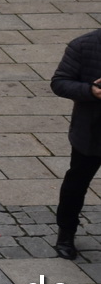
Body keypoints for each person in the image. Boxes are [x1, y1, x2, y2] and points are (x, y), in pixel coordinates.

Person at [52, 23, 101, 260]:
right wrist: (92, 91)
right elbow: (60, 82)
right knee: (76, 184)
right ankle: (66, 233)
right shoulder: (83, 46)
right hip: (92, 132)